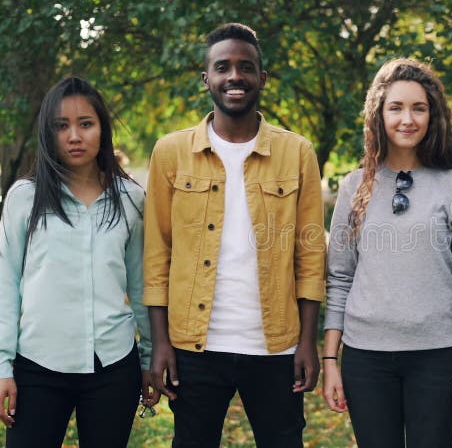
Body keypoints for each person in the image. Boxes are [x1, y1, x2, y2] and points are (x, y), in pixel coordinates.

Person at [143, 23, 326, 447]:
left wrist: (306, 342)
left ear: (262, 78)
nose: (234, 77)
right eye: (222, 67)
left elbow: (310, 255)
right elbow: (157, 253)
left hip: (276, 346)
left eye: (246, 67)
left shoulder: (297, 152)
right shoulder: (170, 152)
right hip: (194, 345)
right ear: (206, 78)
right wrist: (161, 344)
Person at [322, 58, 452, 448]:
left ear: (434, 115)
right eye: (395, 107)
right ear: (378, 114)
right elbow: (340, 278)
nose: (407, 119)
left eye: (419, 108)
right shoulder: (354, 186)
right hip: (366, 358)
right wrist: (330, 360)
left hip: (440, 356)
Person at [0, 77, 153, 447]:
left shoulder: (130, 198)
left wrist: (149, 359)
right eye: (61, 125)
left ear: (102, 128)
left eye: (85, 124)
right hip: (37, 365)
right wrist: (2, 365)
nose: (74, 135)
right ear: (48, 133)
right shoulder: (25, 198)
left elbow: (141, 283)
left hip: (114, 365)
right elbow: (6, 284)